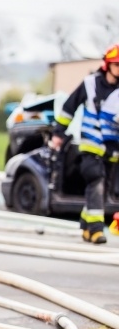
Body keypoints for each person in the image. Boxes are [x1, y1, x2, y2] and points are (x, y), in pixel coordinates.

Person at [50, 43, 119, 244]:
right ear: (107, 65)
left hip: (112, 150)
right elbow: (68, 109)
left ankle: (86, 226)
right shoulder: (90, 85)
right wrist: (58, 133)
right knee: (95, 183)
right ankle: (97, 230)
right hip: (90, 146)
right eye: (117, 65)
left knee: (102, 189)